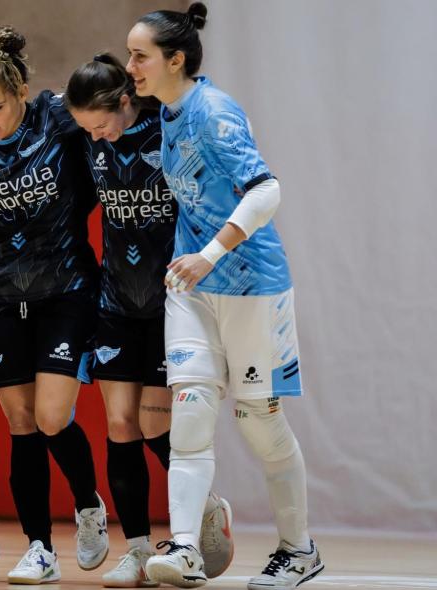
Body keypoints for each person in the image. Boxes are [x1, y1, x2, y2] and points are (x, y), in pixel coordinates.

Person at [124, 4, 323, 588]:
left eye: (140, 56)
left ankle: (299, 549)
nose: (130, 66)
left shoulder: (213, 111)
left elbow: (266, 191)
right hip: (191, 287)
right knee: (189, 417)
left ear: (174, 60)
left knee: (258, 422)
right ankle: (187, 549)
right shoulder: (166, 111)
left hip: (250, 285)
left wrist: (209, 253)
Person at [64, 53, 236, 587]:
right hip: (116, 302)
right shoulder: (91, 143)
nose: (96, 136)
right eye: (86, 129)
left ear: (125, 101)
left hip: (171, 304)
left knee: (156, 425)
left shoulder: (169, 131)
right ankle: (138, 550)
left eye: (101, 124)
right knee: (119, 425)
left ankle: (205, 505)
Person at [0, 26, 108, 585]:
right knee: (21, 424)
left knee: (51, 417)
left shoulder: (58, 117)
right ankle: (39, 547)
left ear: (21, 92)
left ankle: (88, 505)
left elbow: (113, 113)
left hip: (65, 290)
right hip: (0, 296)